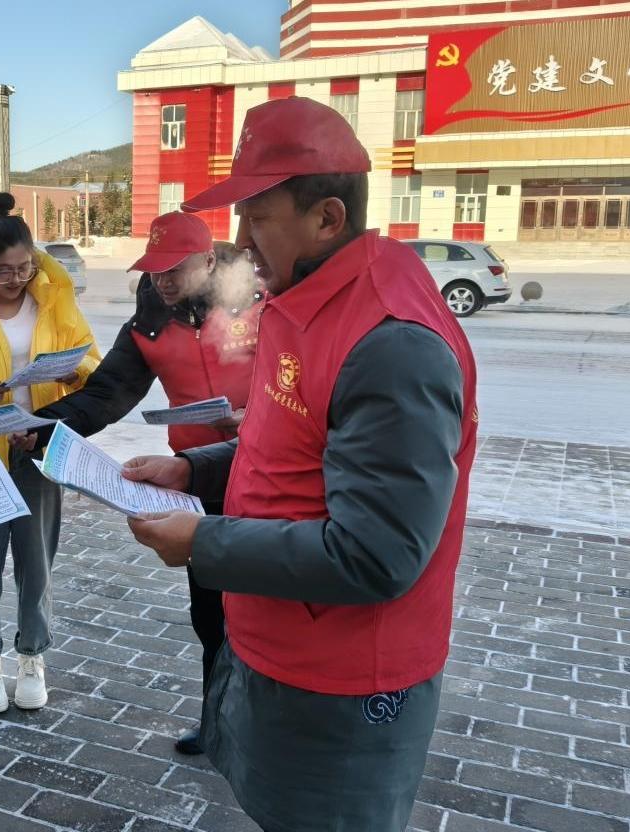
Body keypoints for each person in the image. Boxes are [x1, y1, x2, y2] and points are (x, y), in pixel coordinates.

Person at [123, 97, 478, 831]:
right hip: (277, 645)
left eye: (258, 217)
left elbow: (377, 554)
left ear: (327, 218)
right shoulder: (304, 296)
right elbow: (288, 441)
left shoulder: (391, 343)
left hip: (342, 679)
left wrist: (204, 543)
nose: (240, 241)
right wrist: (196, 473)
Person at [34, 210, 261, 754]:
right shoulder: (148, 323)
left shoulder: (260, 303)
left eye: (175, 268)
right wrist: (40, 428)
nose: (163, 280)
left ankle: (265, 727)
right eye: (155, 269)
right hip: (197, 479)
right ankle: (216, 722)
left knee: (265, 607)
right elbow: (105, 394)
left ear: (209, 261)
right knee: (210, 611)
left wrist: (257, 418)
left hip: (265, 471)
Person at [0, 192, 100, 714]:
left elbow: (91, 362)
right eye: (3, 271)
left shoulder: (54, 299)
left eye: (24, 268)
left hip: (37, 445)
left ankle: (33, 655)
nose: (15, 279)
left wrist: (74, 372)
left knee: (37, 561)